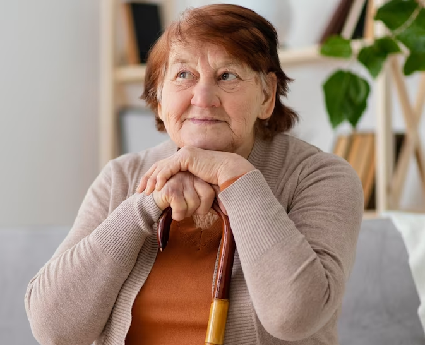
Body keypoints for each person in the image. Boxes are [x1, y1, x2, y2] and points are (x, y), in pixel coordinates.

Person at [25, 4, 363, 345]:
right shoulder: (121, 177)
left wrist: (236, 177)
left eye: (227, 75)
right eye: (184, 75)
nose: (203, 98)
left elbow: (294, 317)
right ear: (159, 99)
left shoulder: (321, 177)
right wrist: (145, 204)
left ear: (267, 95)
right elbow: (54, 330)